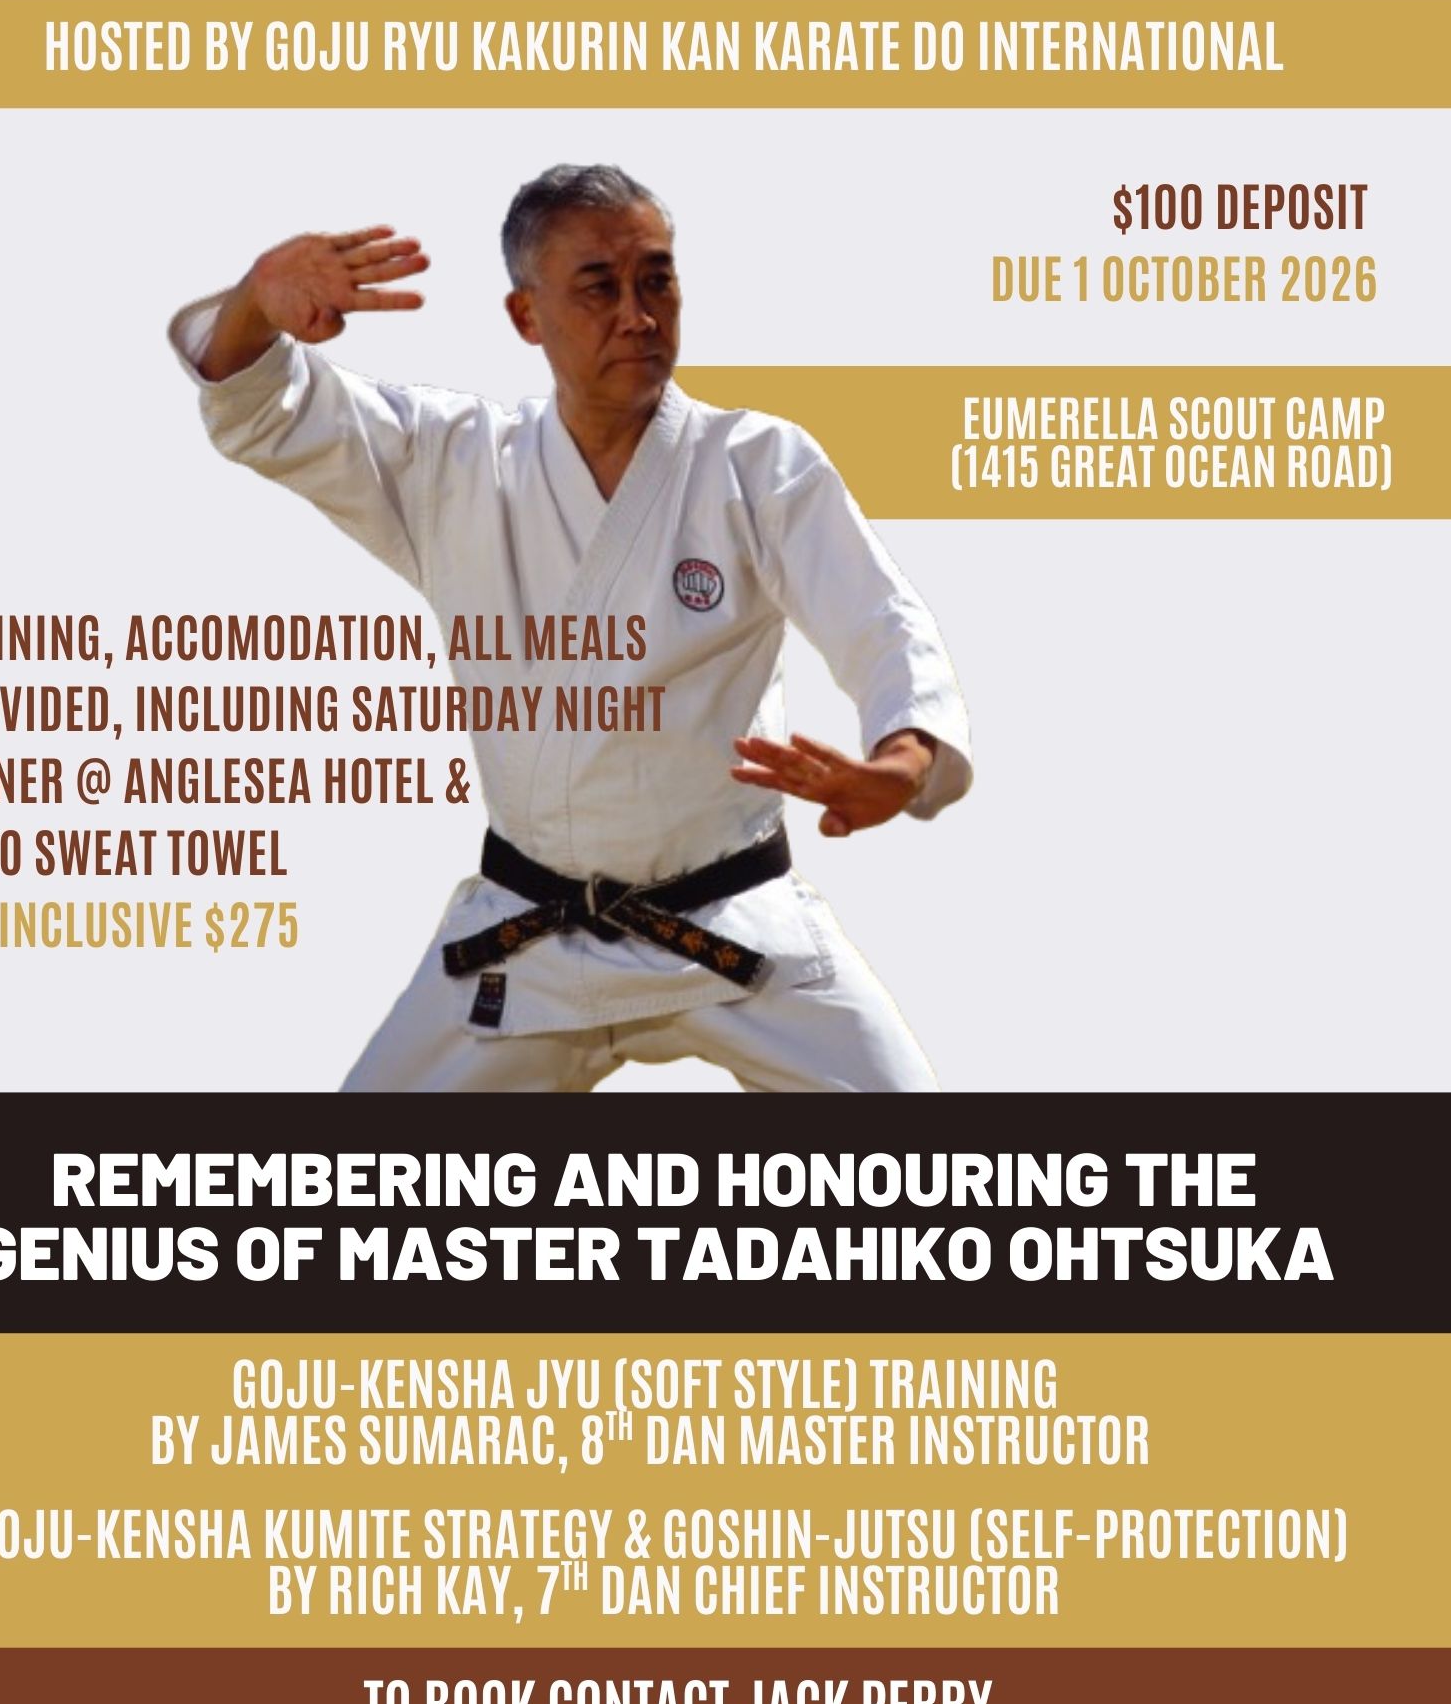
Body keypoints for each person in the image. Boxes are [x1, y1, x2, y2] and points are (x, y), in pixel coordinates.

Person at [170, 163, 972, 1091]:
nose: (638, 315)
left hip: (732, 923)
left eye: (657, 280)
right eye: (598, 287)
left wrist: (903, 761)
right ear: (526, 315)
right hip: (530, 936)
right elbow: (262, 407)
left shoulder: (755, 464)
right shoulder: (457, 465)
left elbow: (881, 621)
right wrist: (254, 302)